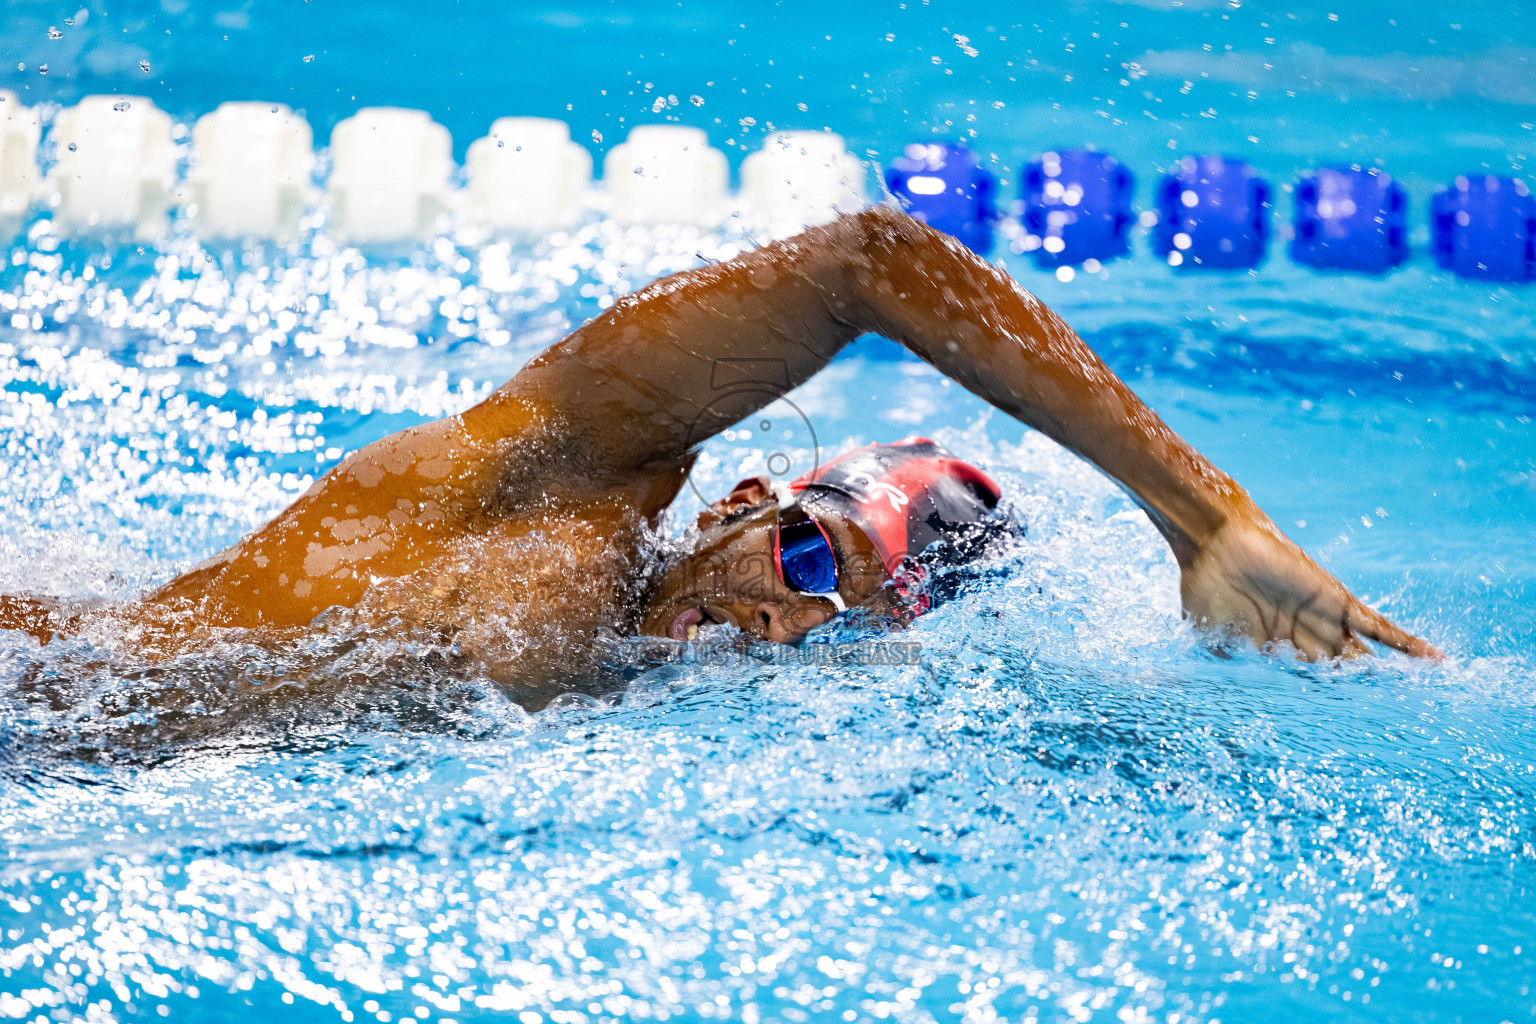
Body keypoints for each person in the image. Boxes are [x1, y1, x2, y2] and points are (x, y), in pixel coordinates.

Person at [0, 205, 1437, 687]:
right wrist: (1202, 518)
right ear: (749, 497)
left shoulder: (646, 691)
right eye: (807, 551)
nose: (779, 617)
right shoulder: (563, 483)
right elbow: (866, 264)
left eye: (835, 616)